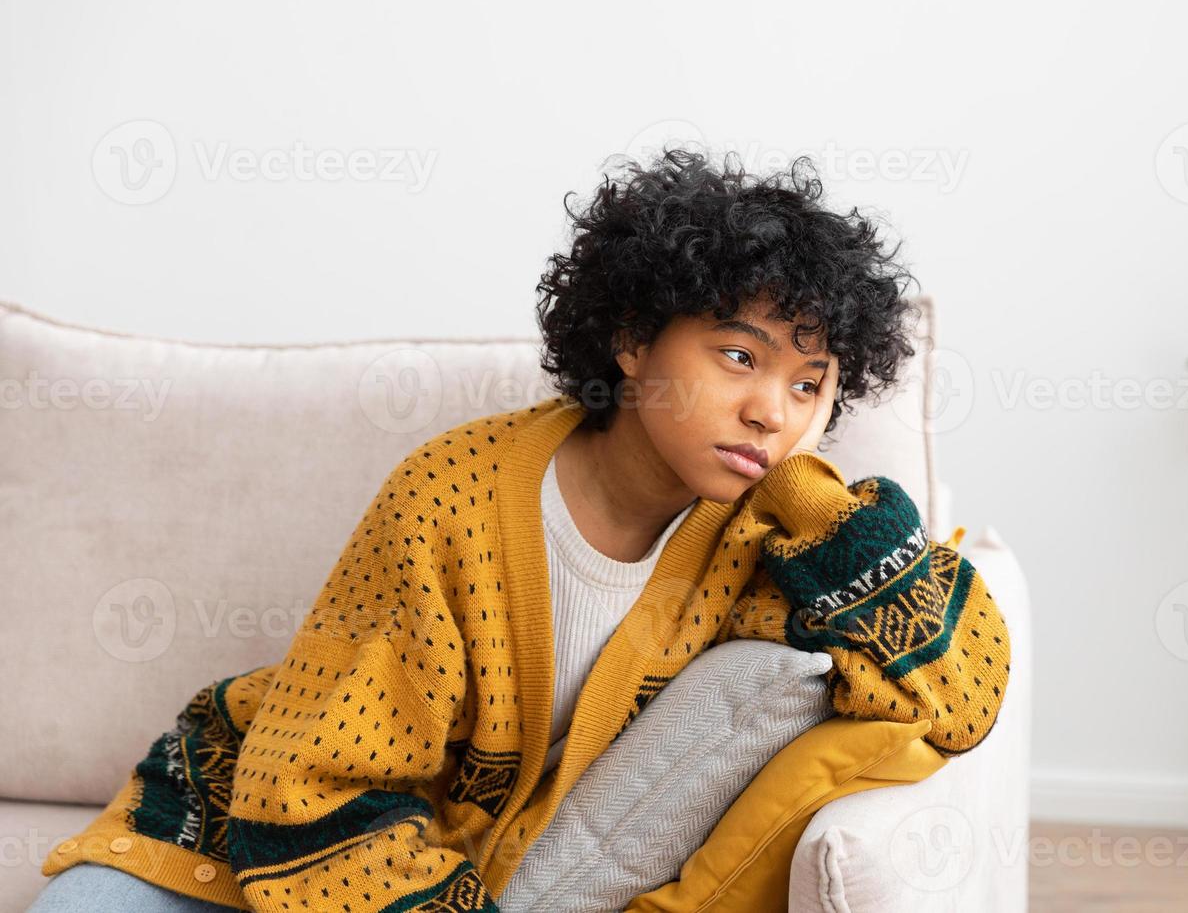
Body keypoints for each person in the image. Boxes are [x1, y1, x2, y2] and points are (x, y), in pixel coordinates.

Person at [32, 148, 1011, 912]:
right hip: (236, 825)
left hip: (460, 869)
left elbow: (959, 691)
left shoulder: (769, 532)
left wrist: (821, 504)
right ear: (632, 338)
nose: (773, 411)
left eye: (809, 382)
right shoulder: (452, 498)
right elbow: (314, 784)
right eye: (738, 356)